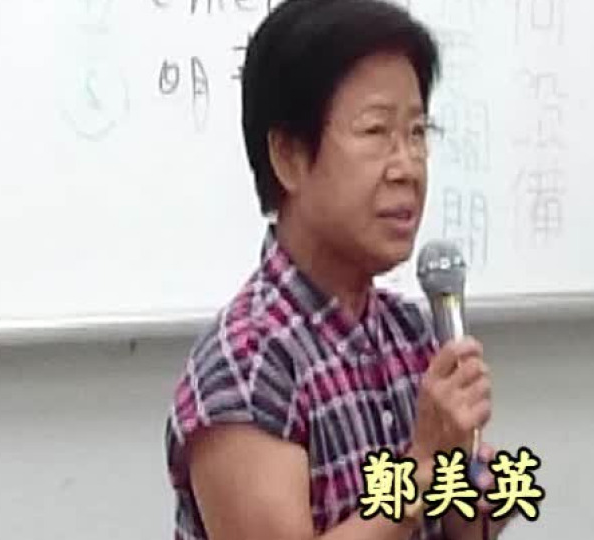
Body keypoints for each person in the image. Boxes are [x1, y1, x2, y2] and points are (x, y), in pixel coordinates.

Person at [163, 1, 513, 539]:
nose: (408, 168)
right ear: (289, 157)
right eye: (376, 132)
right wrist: (420, 469)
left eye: (418, 133)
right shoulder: (248, 367)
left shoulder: (412, 332)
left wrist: (476, 496)